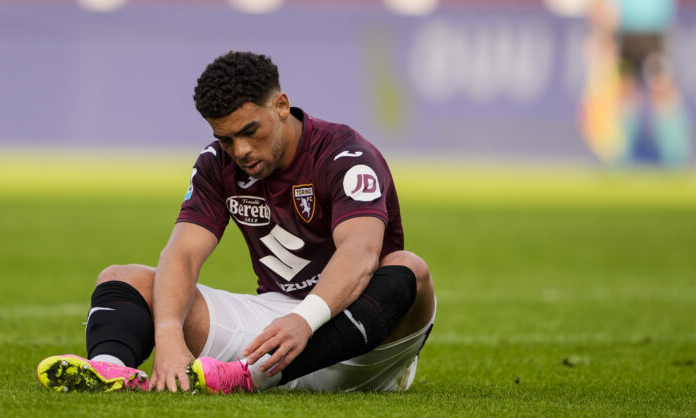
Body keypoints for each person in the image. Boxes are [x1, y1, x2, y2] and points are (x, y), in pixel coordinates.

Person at [37, 51, 436, 394]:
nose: (241, 151)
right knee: (123, 278)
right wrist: (169, 336)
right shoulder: (217, 164)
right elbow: (184, 253)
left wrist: (304, 320)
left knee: (409, 269)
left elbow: (361, 252)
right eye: (226, 139)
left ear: (281, 105)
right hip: (275, 326)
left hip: (362, 340)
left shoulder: (344, 155)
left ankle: (255, 377)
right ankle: (109, 370)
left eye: (250, 132)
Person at [580, 0, 690, 166]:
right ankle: (618, 156)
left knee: (663, 89)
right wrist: (602, 28)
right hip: (624, 31)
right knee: (625, 91)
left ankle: (676, 157)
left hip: (656, 29)